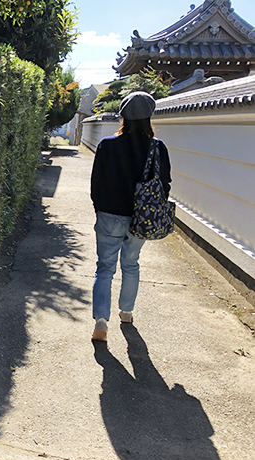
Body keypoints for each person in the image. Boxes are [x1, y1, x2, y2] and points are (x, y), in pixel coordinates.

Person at [90, 91, 172, 341]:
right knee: (131, 264)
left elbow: (96, 183)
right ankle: (126, 313)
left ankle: (101, 323)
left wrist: (100, 208)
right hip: (142, 217)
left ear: (123, 116)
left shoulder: (107, 145)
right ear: (149, 117)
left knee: (104, 268)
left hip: (109, 214)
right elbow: (165, 184)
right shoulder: (157, 148)